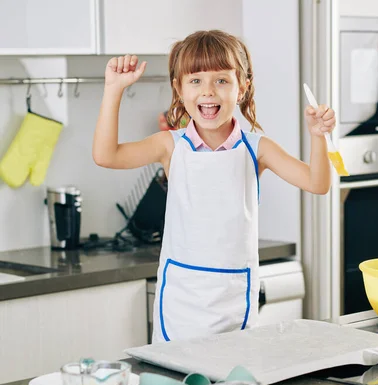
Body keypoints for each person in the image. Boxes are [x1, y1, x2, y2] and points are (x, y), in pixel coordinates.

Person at [92, 30, 335, 343]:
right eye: (195, 81)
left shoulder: (257, 148)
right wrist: (113, 90)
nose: (208, 92)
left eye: (221, 80)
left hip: (234, 299)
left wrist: (318, 136)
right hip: (181, 302)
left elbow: (317, 183)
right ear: (178, 89)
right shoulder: (170, 146)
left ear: (242, 87)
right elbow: (105, 155)